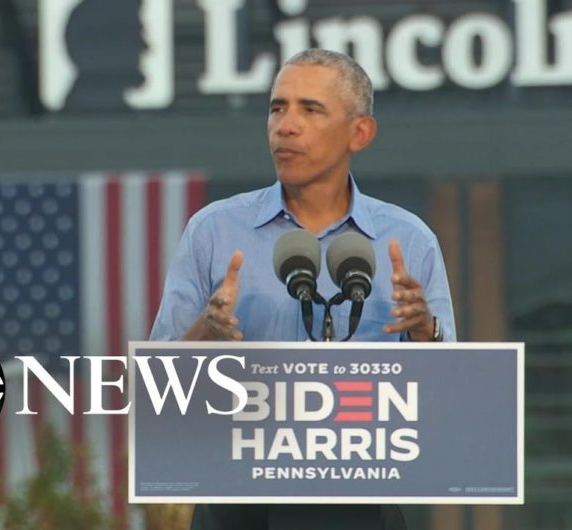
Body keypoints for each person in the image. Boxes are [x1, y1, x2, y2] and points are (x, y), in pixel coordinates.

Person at [149, 49, 456, 530]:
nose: (285, 126)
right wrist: (204, 333)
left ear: (360, 132)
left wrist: (424, 334)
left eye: (309, 110)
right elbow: (157, 396)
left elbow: (451, 405)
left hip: (363, 509)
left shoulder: (409, 241)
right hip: (234, 506)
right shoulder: (213, 231)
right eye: (277, 108)